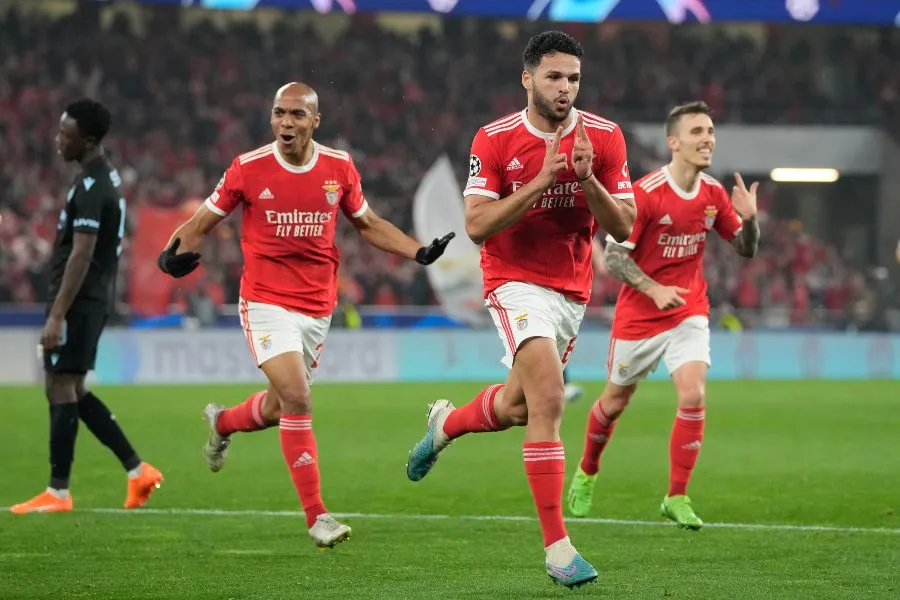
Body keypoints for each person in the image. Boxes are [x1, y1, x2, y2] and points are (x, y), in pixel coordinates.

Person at [157, 82, 453, 549]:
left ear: (316, 121)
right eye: (279, 114)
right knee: (297, 396)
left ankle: (223, 423)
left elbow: (369, 224)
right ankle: (318, 515)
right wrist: (171, 252)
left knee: (279, 406)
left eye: (296, 115)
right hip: (264, 301)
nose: (286, 123)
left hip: (317, 307)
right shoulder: (248, 168)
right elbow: (202, 222)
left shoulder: (339, 167)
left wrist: (417, 251)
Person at [405, 31, 635, 588]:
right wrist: (541, 181)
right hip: (513, 282)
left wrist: (585, 180)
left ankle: (444, 426)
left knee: (514, 408)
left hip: (570, 290)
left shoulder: (603, 137)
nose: (565, 88)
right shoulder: (495, 139)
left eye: (574, 78)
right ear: (527, 78)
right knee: (550, 399)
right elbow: (478, 226)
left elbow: (625, 226)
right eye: (554, 77)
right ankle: (559, 550)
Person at [566, 101, 761, 528]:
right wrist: (653, 288)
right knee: (615, 402)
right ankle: (587, 470)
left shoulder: (712, 193)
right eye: (697, 132)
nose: (707, 138)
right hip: (639, 315)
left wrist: (750, 221)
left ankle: (677, 495)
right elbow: (614, 258)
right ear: (674, 142)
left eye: (710, 130)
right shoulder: (646, 193)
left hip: (689, 310)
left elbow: (745, 249)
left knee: (693, 394)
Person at [11, 99, 164, 515]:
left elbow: (82, 254)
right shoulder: (96, 179)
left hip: (79, 301)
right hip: (85, 299)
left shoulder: (96, 187)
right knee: (72, 388)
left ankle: (58, 491)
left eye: (66, 134)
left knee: (60, 386)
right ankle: (137, 470)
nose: (58, 140)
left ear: (90, 140)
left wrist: (58, 313)